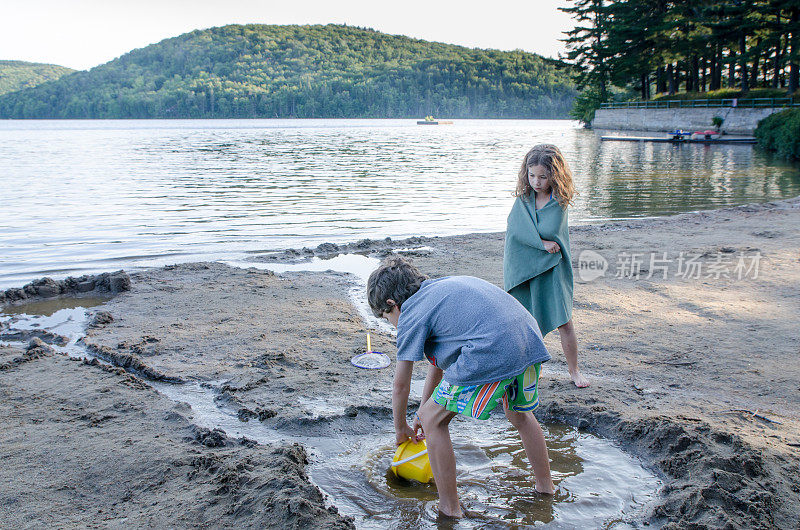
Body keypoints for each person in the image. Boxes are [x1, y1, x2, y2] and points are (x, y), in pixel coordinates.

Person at [367, 257, 555, 518]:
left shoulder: (410, 312)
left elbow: (400, 385)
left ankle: (449, 509)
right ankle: (546, 488)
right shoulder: (437, 291)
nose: (391, 323)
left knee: (435, 423)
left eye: (387, 317)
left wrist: (401, 429)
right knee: (519, 414)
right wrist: (423, 410)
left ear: (392, 304)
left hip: (492, 346)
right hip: (526, 336)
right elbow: (439, 366)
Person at [504, 144, 589, 388]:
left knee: (564, 321)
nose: (536, 182)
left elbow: (553, 232)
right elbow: (515, 232)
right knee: (527, 322)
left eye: (542, 176)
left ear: (554, 175)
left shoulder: (559, 202)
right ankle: (532, 370)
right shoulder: (523, 200)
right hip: (526, 269)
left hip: (553, 270)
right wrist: (540, 243)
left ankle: (574, 370)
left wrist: (543, 241)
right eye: (532, 176)